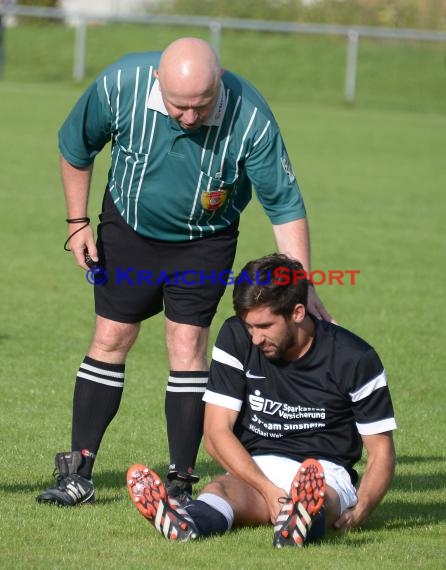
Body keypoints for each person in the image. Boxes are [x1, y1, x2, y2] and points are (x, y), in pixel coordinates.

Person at [37, 38, 332, 507]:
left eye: (201, 105)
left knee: (188, 343)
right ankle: (78, 472)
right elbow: (75, 146)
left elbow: (283, 203)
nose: (191, 117)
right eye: (179, 106)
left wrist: (302, 282)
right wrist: (77, 223)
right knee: (111, 335)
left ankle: (180, 480)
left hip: (205, 240)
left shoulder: (250, 116)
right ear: (158, 81)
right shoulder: (120, 84)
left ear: (219, 83)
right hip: (129, 229)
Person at [126, 254, 396, 547]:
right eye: (250, 326)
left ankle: (304, 517)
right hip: (256, 466)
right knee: (221, 490)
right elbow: (216, 434)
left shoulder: (354, 358)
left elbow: (380, 450)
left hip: (324, 470)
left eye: (265, 326)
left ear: (297, 312)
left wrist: (362, 509)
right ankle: (187, 522)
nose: (255, 338)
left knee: (322, 498)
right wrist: (269, 491)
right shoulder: (235, 336)